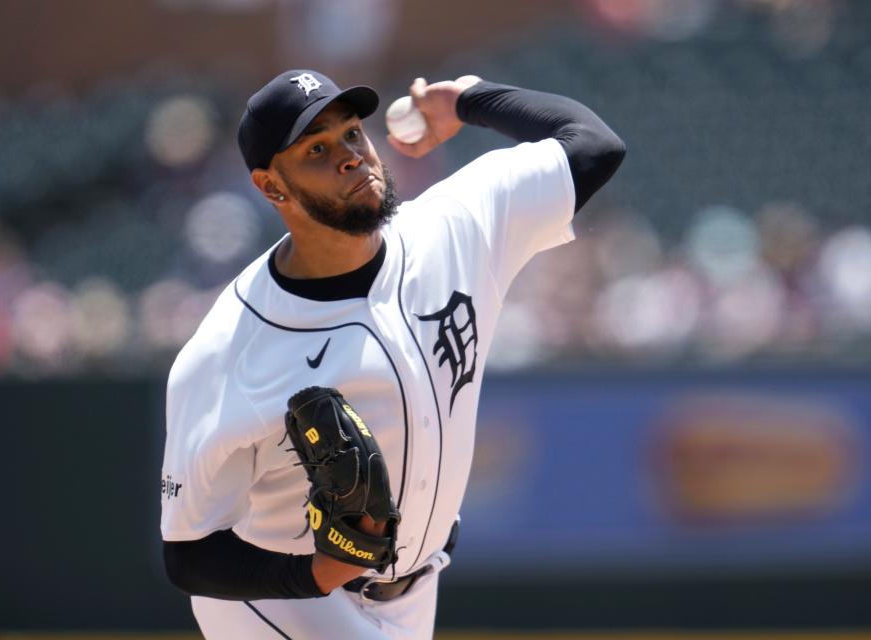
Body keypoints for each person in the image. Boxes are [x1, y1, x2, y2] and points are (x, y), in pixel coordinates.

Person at [160, 68, 625, 639]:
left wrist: (470, 101)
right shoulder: (226, 353)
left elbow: (593, 144)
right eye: (317, 149)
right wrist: (315, 574)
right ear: (271, 186)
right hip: (281, 601)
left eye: (352, 132)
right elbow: (188, 556)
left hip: (416, 591)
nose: (350, 156)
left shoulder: (456, 224)